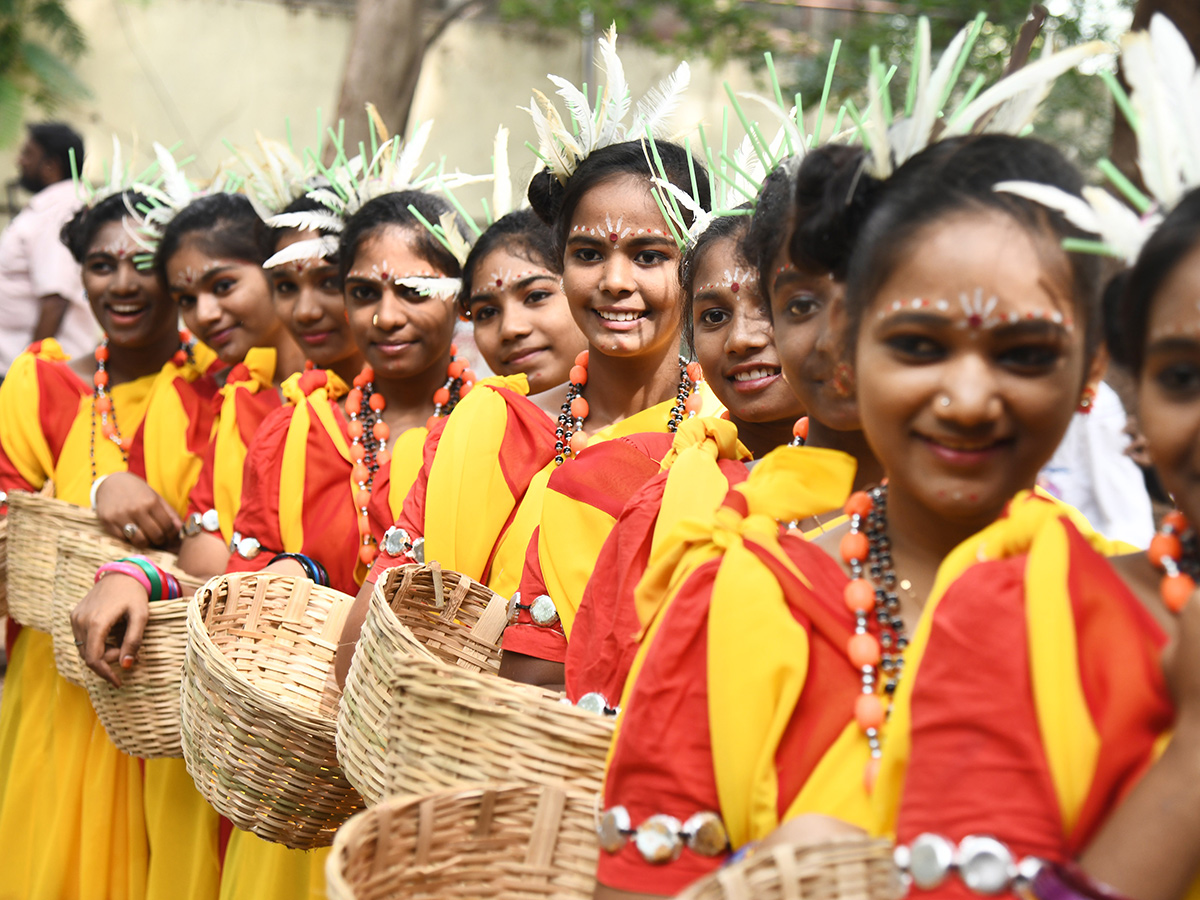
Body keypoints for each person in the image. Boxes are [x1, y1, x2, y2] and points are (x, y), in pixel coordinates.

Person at [594, 132, 1111, 899]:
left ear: (1092, 366)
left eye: (1023, 348)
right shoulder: (736, 596)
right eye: (920, 342)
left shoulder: (1134, 614)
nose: (967, 395)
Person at [565, 150, 884, 707]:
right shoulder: (654, 486)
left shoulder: (965, 509)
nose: (742, 338)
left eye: (780, 307)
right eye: (714, 316)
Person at [0, 184, 194, 900]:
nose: (123, 282)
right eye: (101, 264)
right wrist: (94, 492)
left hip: (168, 698)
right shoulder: (41, 385)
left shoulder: (226, 395)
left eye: (143, 261)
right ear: (79, 274)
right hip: (57, 685)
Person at [0, 122, 96, 374]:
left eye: (28, 153)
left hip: (31, 371)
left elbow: (55, 298)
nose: (20, 161)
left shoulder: (61, 210)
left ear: (51, 165)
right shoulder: (50, 205)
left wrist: (29, 372)